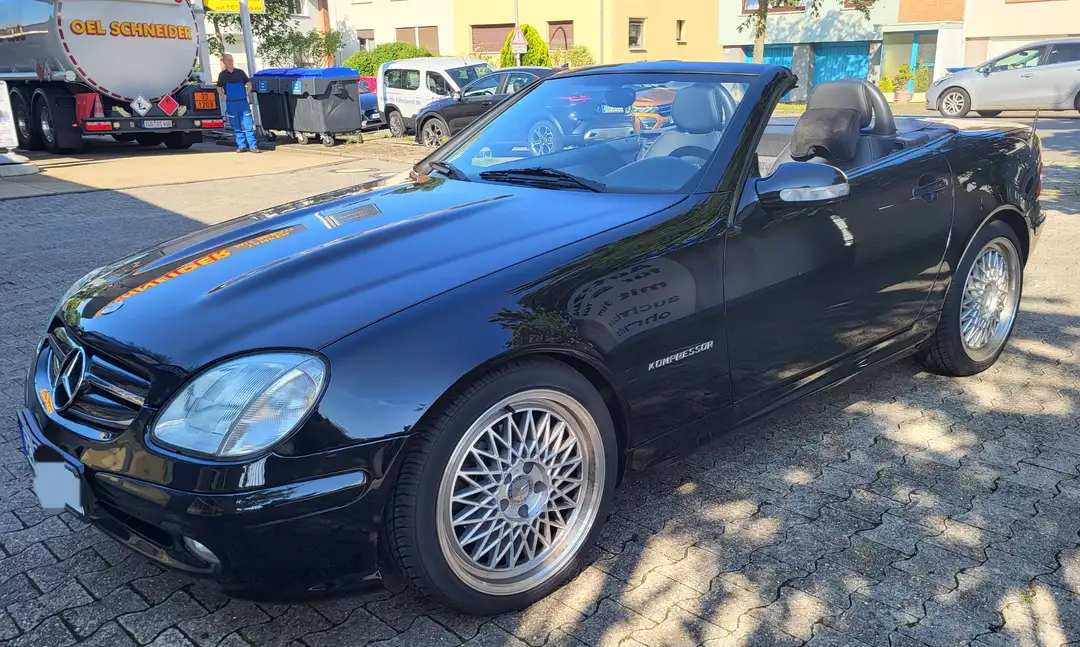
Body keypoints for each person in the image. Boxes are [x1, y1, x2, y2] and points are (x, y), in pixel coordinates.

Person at [216, 54, 261, 153]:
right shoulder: (222, 75)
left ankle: (253, 147)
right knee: (236, 126)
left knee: (248, 125)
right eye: (228, 60)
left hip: (243, 103)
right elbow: (218, 87)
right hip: (231, 104)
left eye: (231, 60)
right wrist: (223, 95)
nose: (230, 62)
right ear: (224, 62)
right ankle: (242, 146)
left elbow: (249, 83)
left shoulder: (240, 73)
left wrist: (247, 92)